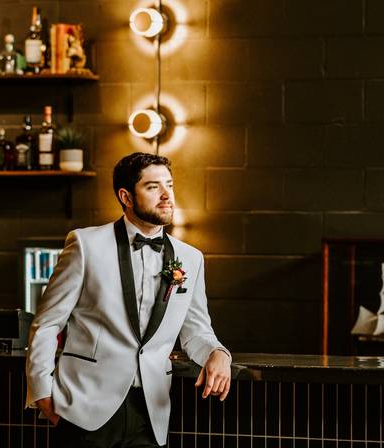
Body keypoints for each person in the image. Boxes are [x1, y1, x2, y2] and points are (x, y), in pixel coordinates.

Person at [26, 152, 232, 447]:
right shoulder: (86, 245)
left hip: (150, 413)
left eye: (169, 185)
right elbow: (46, 324)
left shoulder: (191, 258)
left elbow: (196, 331)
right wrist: (42, 394)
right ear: (126, 196)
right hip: (84, 409)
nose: (166, 195)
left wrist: (218, 354)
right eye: (152, 187)